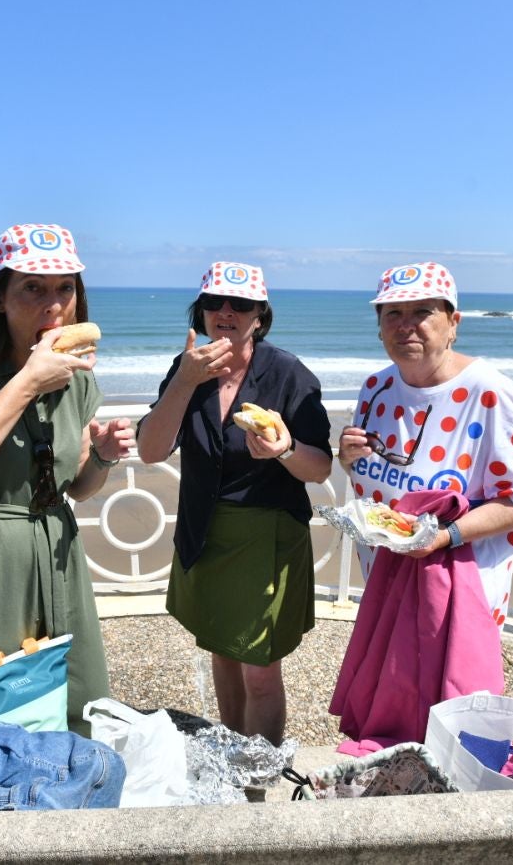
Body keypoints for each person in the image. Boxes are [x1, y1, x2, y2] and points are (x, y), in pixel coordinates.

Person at [0, 224, 133, 735]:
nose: (52, 305)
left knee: (73, 704)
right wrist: (27, 382)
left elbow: (75, 488)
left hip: (57, 553)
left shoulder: (74, 374)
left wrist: (102, 457)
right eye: (32, 288)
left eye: (64, 288)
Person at [332, 262, 513, 753]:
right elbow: (370, 477)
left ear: (453, 322)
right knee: (391, 703)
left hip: (462, 585)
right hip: (388, 576)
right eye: (392, 314)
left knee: (453, 718)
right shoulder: (376, 388)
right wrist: (346, 459)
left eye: (422, 312)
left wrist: (445, 536)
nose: (405, 325)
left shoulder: (491, 393)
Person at [136, 263, 332, 746]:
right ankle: (231, 748)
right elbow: (151, 450)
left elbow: (320, 467)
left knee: (260, 670)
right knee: (221, 651)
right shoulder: (187, 369)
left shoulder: (288, 374)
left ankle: (259, 773)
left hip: (265, 537)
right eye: (214, 302)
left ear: (259, 316)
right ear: (201, 311)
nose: (226, 311)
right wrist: (184, 381)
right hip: (203, 529)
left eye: (240, 303)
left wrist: (285, 449)